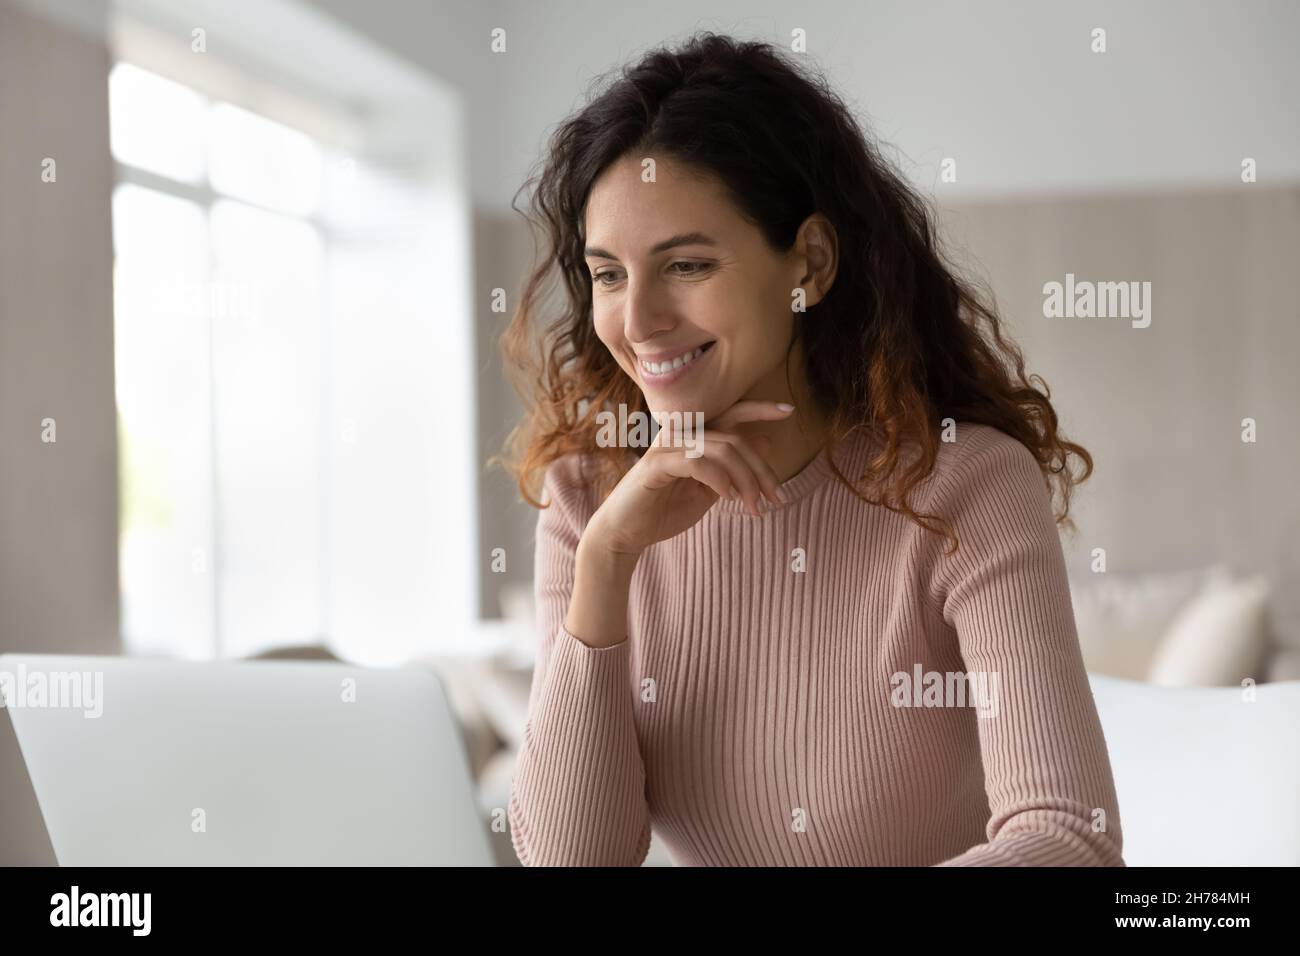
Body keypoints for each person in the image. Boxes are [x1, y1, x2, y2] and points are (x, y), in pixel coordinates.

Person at [498, 32, 1123, 866]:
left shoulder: (965, 484)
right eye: (609, 274)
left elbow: (1070, 839)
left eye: (686, 264)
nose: (638, 320)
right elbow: (574, 859)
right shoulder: (589, 500)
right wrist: (608, 560)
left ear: (811, 264)